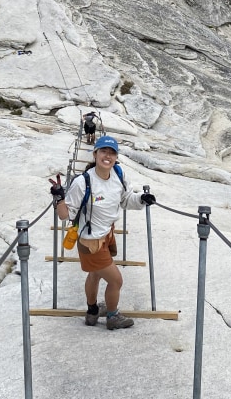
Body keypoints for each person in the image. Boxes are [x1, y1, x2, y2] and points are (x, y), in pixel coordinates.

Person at [49, 135, 156, 330]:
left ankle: (92, 312)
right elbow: (65, 216)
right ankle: (113, 317)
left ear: (116, 157)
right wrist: (59, 199)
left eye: (112, 152)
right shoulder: (83, 182)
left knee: (95, 275)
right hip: (90, 241)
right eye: (104, 151)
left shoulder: (118, 173)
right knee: (116, 280)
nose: (108, 156)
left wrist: (141, 198)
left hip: (106, 234)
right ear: (95, 153)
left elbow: (125, 199)